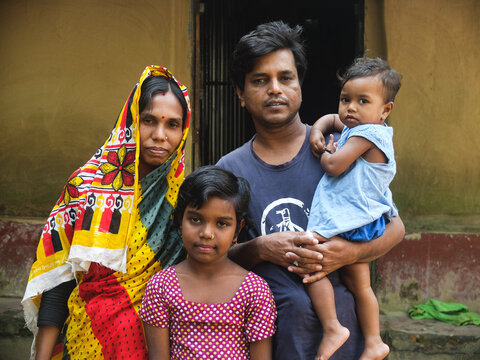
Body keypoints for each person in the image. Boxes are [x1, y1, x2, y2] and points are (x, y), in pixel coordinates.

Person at [216, 21, 405, 360]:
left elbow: (396, 228)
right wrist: (260, 247)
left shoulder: (339, 148)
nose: (275, 89)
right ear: (241, 94)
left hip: (350, 341)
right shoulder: (230, 170)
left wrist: (351, 253)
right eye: (260, 80)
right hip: (275, 341)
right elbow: (215, 257)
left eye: (285, 78)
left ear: (300, 86)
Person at [22, 65, 191, 360]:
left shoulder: (184, 197)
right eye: (148, 121)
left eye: (173, 125)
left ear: (184, 130)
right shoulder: (86, 186)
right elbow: (59, 280)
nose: (160, 135)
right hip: (87, 338)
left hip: (159, 342)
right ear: (130, 122)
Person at [306, 57, 401, 360]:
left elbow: (334, 167)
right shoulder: (362, 125)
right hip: (359, 217)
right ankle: (374, 342)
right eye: (345, 99)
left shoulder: (367, 134)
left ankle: (332, 326)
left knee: (312, 265)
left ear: (385, 110)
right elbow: (331, 120)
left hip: (349, 218)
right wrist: (316, 130)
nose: (350, 108)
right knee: (360, 285)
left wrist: (324, 151)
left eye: (363, 101)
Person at [139, 165, 277, 360]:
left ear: (238, 229)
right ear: (180, 221)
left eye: (222, 224)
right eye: (195, 220)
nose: (206, 233)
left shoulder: (255, 291)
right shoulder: (161, 286)